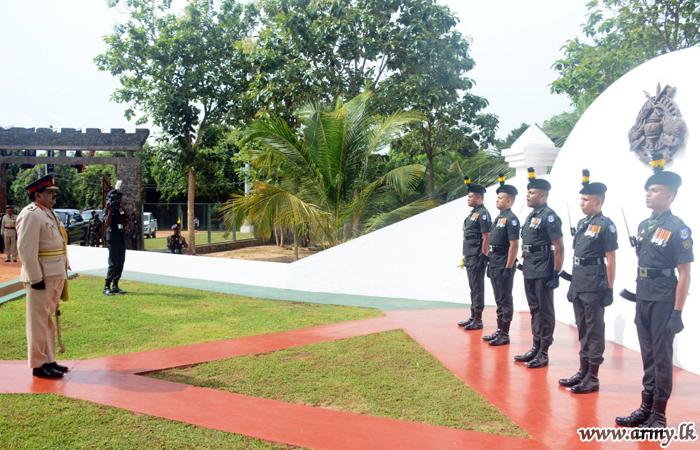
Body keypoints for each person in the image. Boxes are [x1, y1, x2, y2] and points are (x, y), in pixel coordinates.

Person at [615, 153, 692, 428]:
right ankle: (645, 407)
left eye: (655, 190)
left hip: (663, 300)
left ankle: (659, 415)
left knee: (661, 358)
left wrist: (677, 313)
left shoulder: (677, 228)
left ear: (669, 196)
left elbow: (684, 273)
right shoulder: (645, 225)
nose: (648, 194)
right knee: (647, 355)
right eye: (648, 189)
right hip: (643, 297)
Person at [559, 170, 617, 394]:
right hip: (580, 284)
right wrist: (573, 285)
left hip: (595, 286)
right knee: (582, 329)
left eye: (585, 200)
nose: (581, 203)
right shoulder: (583, 223)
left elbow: (611, 260)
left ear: (598, 201)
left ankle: (593, 376)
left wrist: (609, 288)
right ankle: (582, 370)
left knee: (594, 330)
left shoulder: (606, 225)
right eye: (581, 199)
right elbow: (577, 259)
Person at [16, 175, 69, 378]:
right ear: (37, 195)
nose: (54, 195)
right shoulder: (30, 214)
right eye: (49, 192)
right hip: (42, 276)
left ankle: (49, 360)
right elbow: (26, 249)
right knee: (38, 321)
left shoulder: (48, 212)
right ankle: (38, 364)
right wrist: (35, 278)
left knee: (48, 319)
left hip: (54, 273)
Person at [515, 167, 565, 369]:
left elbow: (559, 247)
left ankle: (544, 351)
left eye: (532, 193)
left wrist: (556, 273)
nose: (528, 196)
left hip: (544, 269)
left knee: (544, 311)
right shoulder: (532, 215)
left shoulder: (549, 216)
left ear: (543, 196)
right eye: (527, 192)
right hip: (529, 267)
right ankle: (535, 346)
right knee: (534, 310)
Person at [482, 174, 520, 346]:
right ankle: (499, 330)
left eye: (500, 198)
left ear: (509, 201)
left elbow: (514, 245)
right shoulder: (499, 218)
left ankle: (505, 334)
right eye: (497, 198)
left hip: (504, 262)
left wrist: (508, 267)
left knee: (505, 299)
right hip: (495, 261)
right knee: (498, 298)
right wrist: (490, 262)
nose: (497, 201)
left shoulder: (511, 219)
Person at [457, 175, 492, 331]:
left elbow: (486, 237)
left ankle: (478, 320)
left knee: (477, 287)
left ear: (479, 198)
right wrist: (466, 255)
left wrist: (483, 258)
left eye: (470, 196)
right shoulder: (473, 213)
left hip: (478, 256)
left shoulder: (483, 213)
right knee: (473, 287)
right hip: (471, 255)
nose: (468, 199)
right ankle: (473, 316)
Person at [102, 187, 130, 296]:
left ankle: (115, 285)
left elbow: (130, 219)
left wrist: (122, 208)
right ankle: (106, 286)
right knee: (113, 263)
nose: (120, 200)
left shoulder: (120, 209)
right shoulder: (107, 209)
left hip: (121, 236)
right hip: (113, 237)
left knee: (120, 262)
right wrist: (109, 210)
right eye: (118, 199)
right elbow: (106, 223)